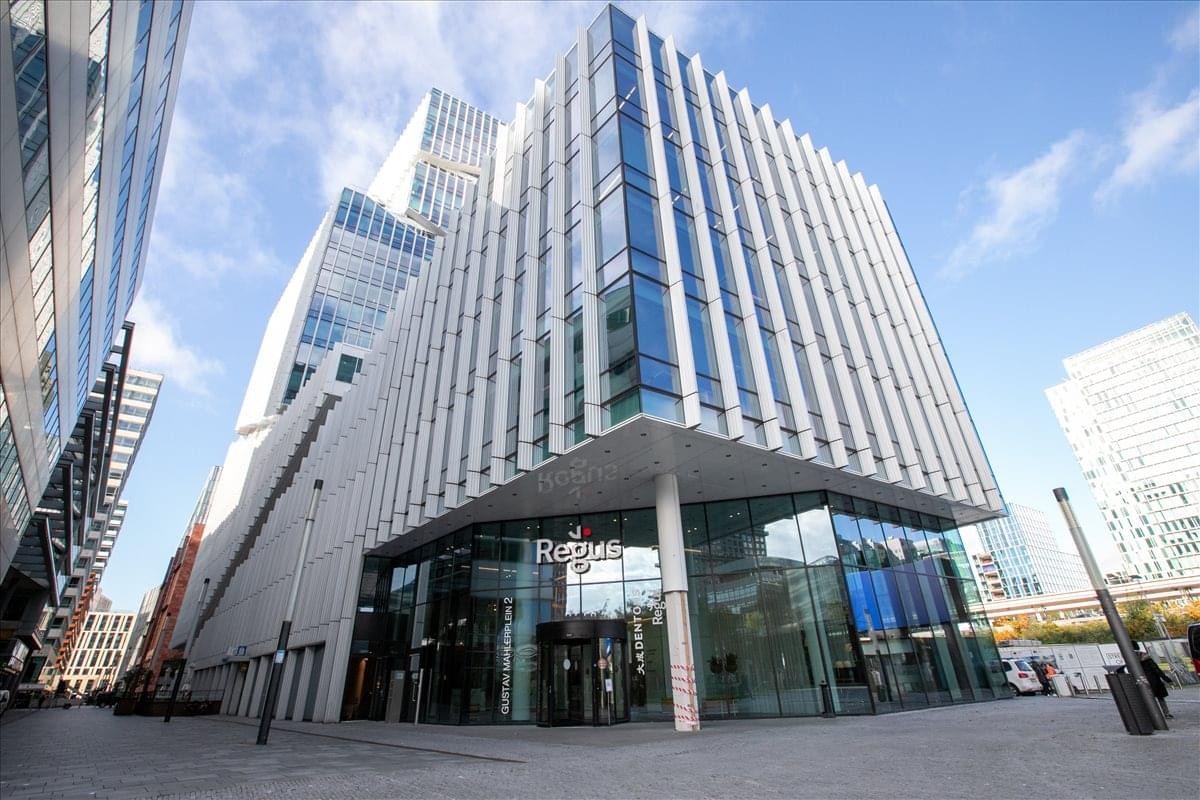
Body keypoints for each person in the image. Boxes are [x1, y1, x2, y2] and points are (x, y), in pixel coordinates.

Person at [1120, 644, 1173, 720]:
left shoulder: (1129, 658)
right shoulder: (1146, 657)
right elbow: (1156, 669)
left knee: (1145, 698)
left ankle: (1151, 715)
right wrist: (1166, 678)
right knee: (1160, 697)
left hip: (1140, 680)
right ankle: (1166, 713)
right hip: (1153, 680)